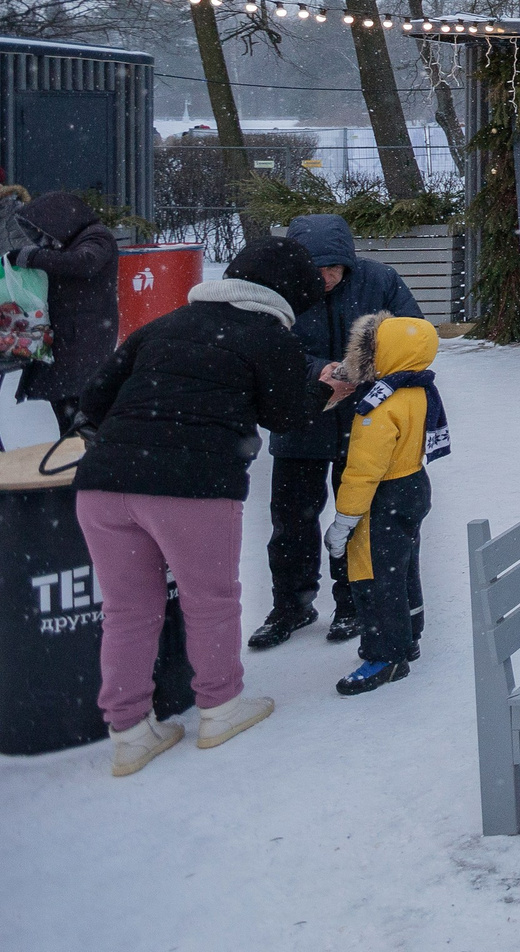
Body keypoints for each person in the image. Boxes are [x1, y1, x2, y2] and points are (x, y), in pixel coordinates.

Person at [74, 237, 339, 776]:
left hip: (103, 484)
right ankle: (220, 707)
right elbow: (284, 416)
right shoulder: (268, 336)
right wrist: (328, 389)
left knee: (127, 610)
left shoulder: (166, 323)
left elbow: (95, 398)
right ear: (285, 294)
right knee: (210, 600)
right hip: (193, 487)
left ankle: (128, 731)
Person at [248, 214, 422, 652]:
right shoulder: (277, 289)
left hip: (364, 426)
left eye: (333, 269)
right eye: (315, 271)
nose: (324, 279)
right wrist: (316, 371)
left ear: (347, 262)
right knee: (291, 521)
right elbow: (262, 346)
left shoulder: (379, 280)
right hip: (299, 419)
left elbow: (414, 337)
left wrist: (365, 369)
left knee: (356, 516)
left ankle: (351, 603)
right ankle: (292, 604)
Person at [323, 313, 448, 696]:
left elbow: (362, 472)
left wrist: (344, 521)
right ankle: (408, 633)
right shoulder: (419, 389)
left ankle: (385, 654)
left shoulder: (379, 407)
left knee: (373, 576)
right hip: (413, 484)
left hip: (383, 497)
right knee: (403, 566)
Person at [11, 190, 121, 434]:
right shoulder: (74, 240)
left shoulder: (97, 237)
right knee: (66, 403)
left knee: (76, 404)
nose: (43, 240)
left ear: (59, 219)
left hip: (83, 337)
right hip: (72, 336)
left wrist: (34, 257)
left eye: (43, 231)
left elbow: (84, 262)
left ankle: (84, 458)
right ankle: (78, 453)